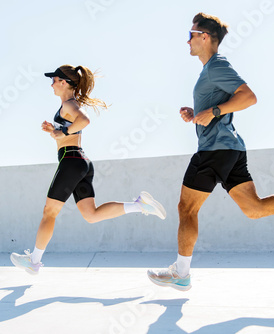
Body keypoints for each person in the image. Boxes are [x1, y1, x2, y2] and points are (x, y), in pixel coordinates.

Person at [147, 13, 274, 291]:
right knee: (254, 208)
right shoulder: (210, 69)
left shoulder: (217, 66)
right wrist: (198, 114)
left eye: (192, 34)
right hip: (229, 149)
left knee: (186, 208)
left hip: (215, 151)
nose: (188, 40)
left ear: (205, 37)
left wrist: (215, 111)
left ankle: (181, 273)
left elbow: (248, 97)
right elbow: (220, 106)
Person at [11, 65, 166, 275]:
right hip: (81, 160)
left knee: (49, 212)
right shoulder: (69, 105)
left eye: (54, 80)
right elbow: (72, 130)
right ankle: (140, 206)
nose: (51, 84)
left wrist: (62, 130)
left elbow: (84, 120)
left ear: (64, 82)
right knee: (91, 215)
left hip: (71, 160)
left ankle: (34, 262)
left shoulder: (69, 104)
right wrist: (55, 131)